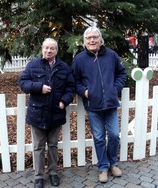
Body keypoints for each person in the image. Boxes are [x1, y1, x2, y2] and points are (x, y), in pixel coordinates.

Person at [72, 26, 127, 183]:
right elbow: (74, 81)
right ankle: (103, 167)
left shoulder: (111, 55)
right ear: (85, 41)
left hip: (110, 104)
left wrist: (114, 88)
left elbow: (121, 73)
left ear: (100, 39)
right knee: (99, 137)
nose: (92, 40)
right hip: (93, 105)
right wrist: (85, 92)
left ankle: (113, 163)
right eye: (88, 38)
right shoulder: (80, 59)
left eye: (95, 37)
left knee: (115, 135)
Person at [18, 38, 75, 188]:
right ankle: (38, 177)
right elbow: (23, 83)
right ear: (42, 49)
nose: (48, 51)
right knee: (38, 147)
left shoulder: (63, 67)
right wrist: (39, 87)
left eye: (52, 48)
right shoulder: (33, 65)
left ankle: (53, 173)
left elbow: (71, 87)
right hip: (37, 113)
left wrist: (64, 101)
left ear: (56, 51)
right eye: (46, 48)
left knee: (53, 145)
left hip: (56, 112)